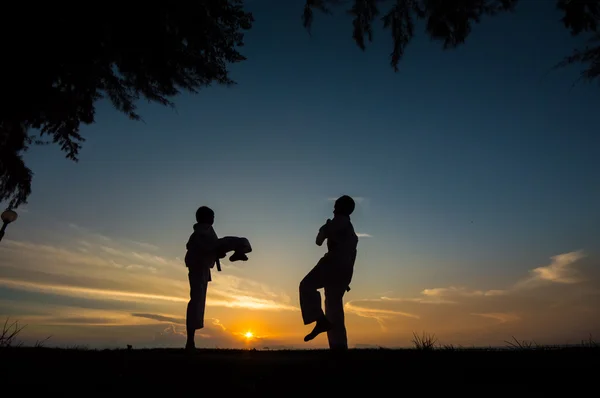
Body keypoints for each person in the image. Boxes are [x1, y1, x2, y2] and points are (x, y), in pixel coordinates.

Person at [184, 206, 252, 350]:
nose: (214, 218)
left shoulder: (206, 230)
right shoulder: (200, 232)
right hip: (198, 268)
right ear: (205, 217)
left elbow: (208, 247)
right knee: (197, 301)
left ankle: (239, 252)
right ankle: (190, 341)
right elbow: (204, 247)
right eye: (212, 216)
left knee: (197, 301)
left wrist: (217, 252)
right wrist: (217, 251)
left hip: (202, 267)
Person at [299, 195, 359, 350]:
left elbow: (318, 241)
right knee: (334, 307)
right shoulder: (351, 232)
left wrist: (324, 228)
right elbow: (353, 255)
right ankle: (338, 346)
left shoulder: (337, 223)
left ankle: (320, 320)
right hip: (345, 269)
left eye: (336, 206)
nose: (333, 209)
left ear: (341, 208)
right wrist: (346, 279)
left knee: (306, 286)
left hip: (333, 262)